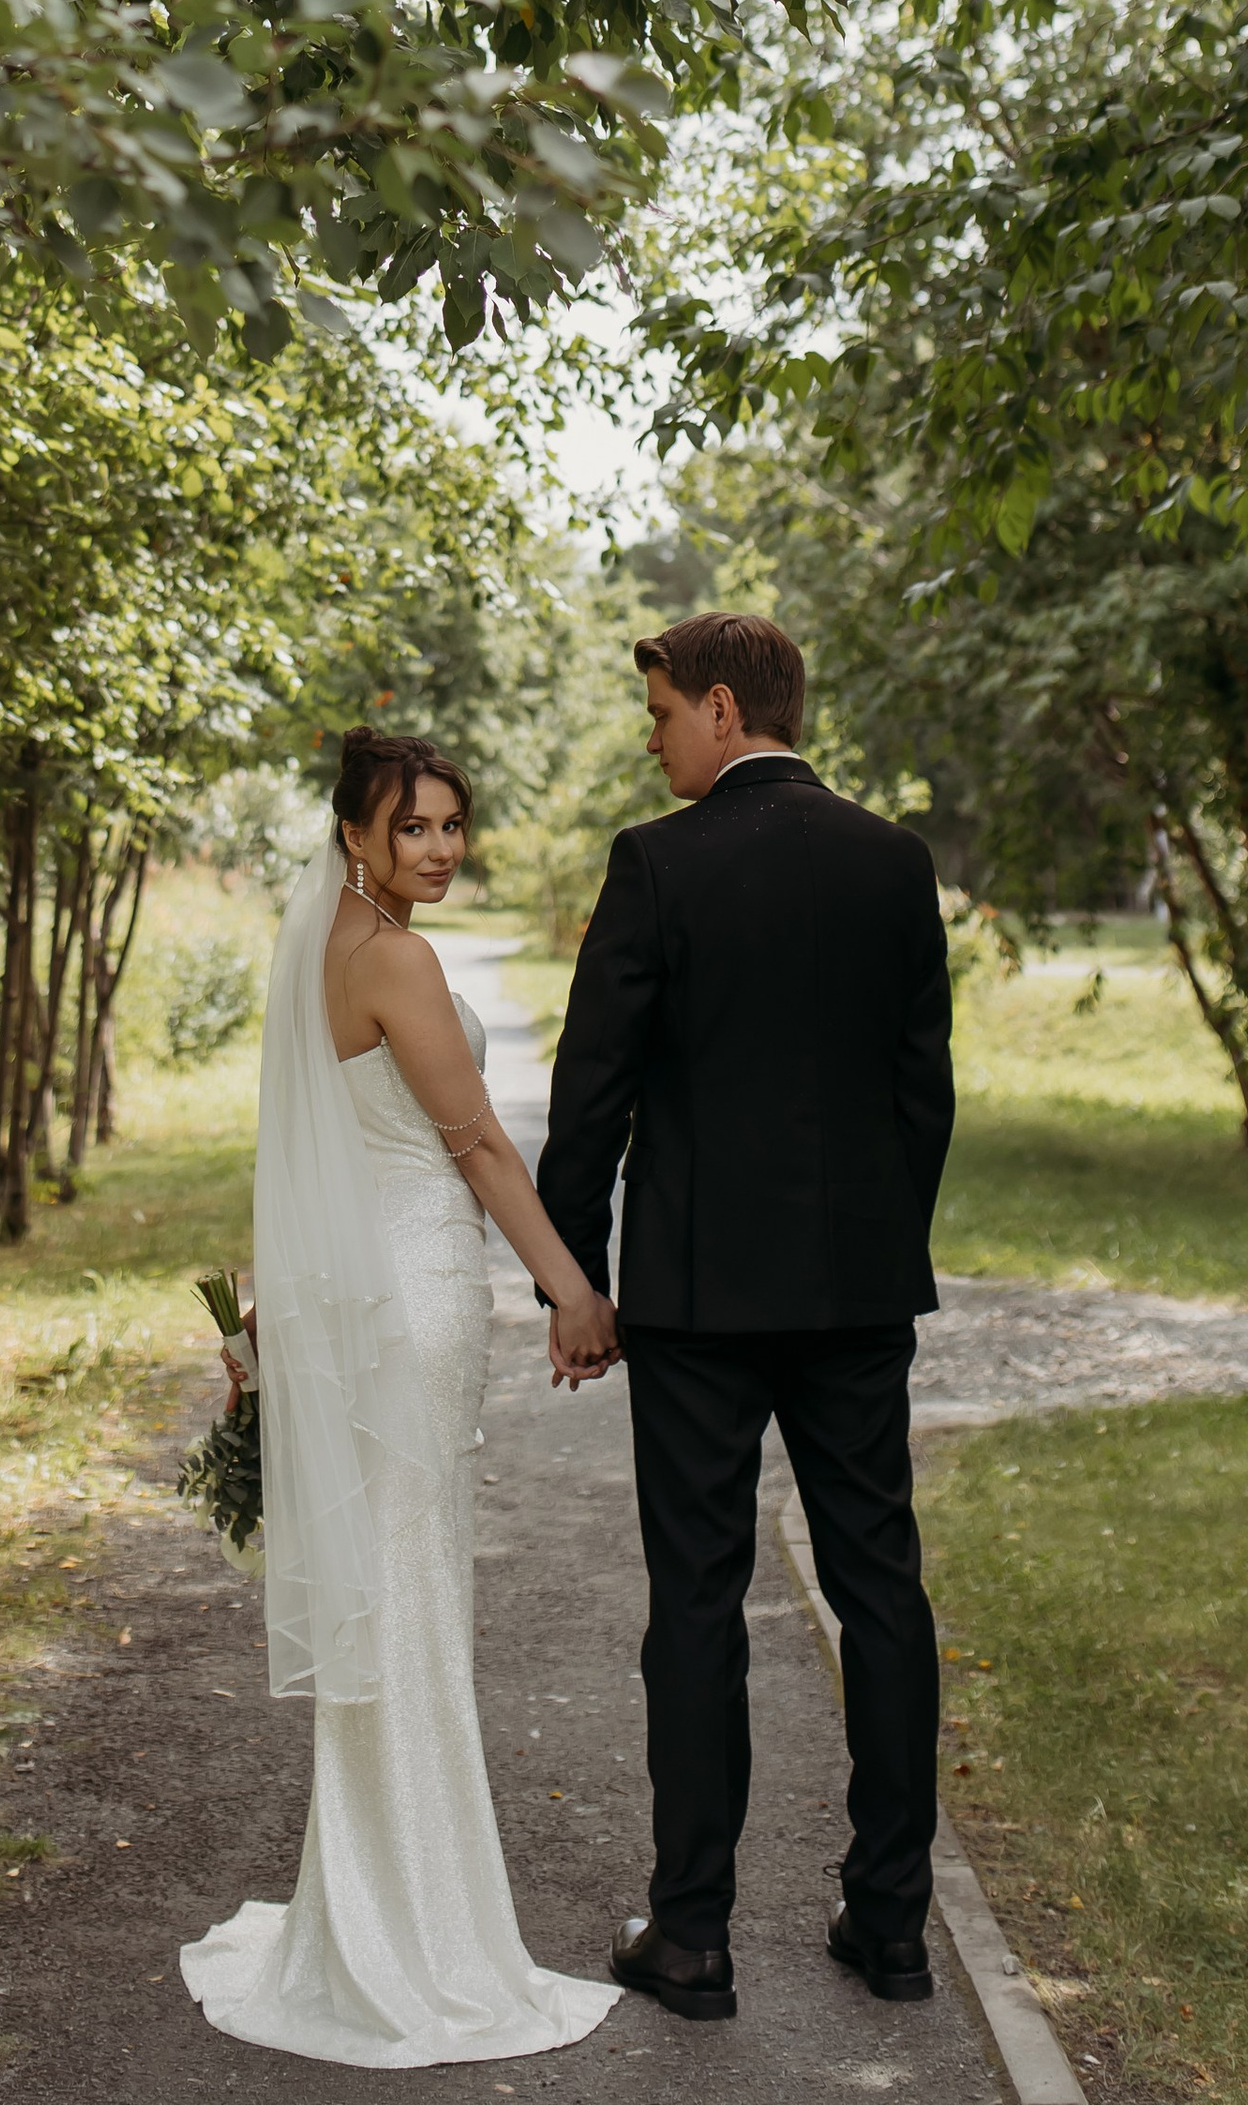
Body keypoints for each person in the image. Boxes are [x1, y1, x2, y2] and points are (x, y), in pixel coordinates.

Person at [181, 724, 624, 2069]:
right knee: (412, 1595)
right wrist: (571, 1289)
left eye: (449, 824)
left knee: (395, 1591)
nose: (436, 848)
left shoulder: (322, 955)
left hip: (347, 1303)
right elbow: (479, 1143)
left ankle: (370, 1911)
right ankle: (409, 1941)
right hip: (413, 1302)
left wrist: (269, 1314)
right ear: (356, 832)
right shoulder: (399, 962)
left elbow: (311, 1147)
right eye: (411, 826)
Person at [537, 611, 955, 2027]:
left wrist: (574, 1282)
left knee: (698, 1604)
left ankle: (697, 1935)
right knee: (880, 1591)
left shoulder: (658, 865)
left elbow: (592, 1093)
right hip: (854, 1292)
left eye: (659, 713)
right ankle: (894, 1924)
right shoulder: (896, 864)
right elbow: (923, 1095)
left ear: (721, 709)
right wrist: (881, 1247)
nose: (651, 738)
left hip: (699, 1302)